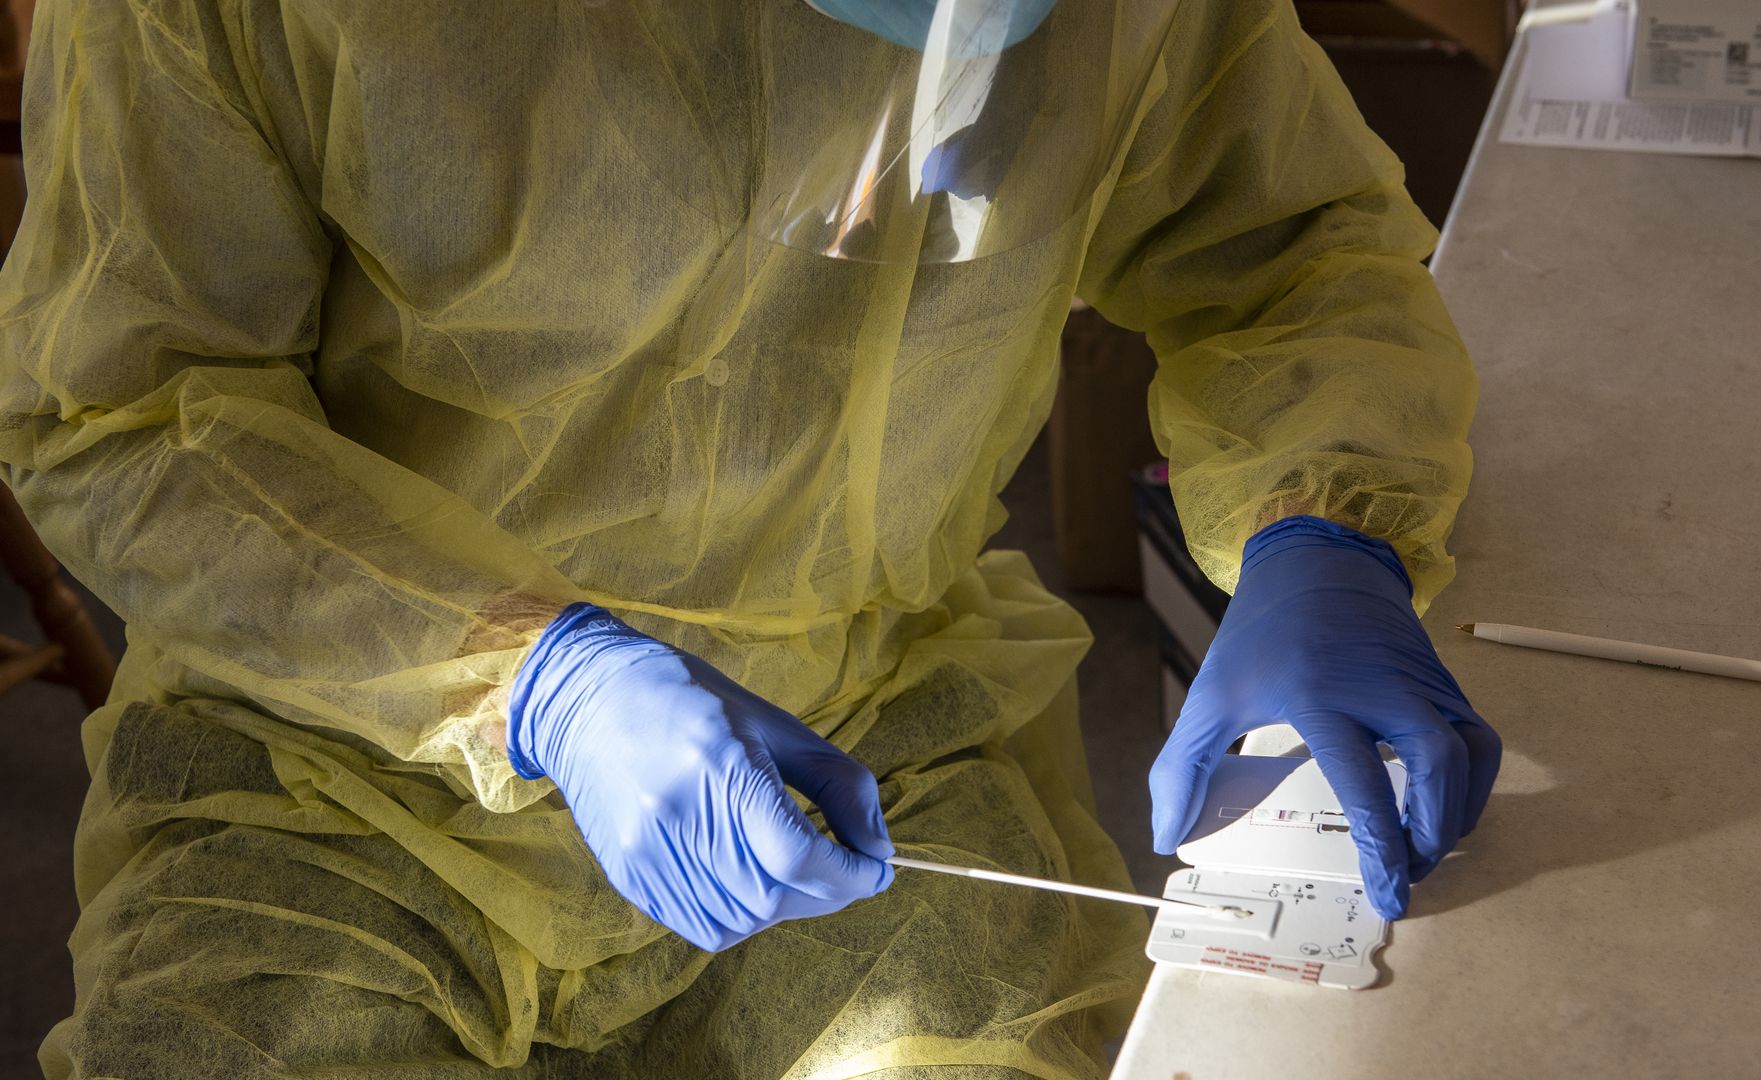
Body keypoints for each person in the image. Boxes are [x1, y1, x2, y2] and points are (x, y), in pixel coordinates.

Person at [0, 0, 1498, 1075]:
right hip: (334, 782)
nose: (874, 193)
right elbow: (128, 405)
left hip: (871, 739)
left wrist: (1325, 528)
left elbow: (1296, 257)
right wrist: (537, 678)